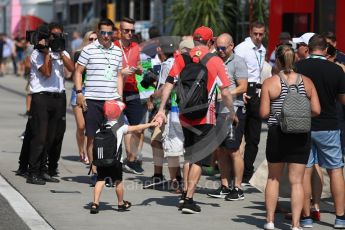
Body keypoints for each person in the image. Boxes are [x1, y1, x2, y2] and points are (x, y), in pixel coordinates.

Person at [154, 26, 238, 214]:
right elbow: (224, 91)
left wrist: (161, 109)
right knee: (199, 159)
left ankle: (185, 193)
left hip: (184, 114)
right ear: (211, 41)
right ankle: (189, 200)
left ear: (194, 40)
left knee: (189, 154)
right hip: (205, 115)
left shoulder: (181, 58)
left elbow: (168, 84)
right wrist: (231, 112)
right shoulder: (215, 60)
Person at [260, 44, 320, 230]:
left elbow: (263, 113)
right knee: (297, 182)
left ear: (277, 61)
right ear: (295, 60)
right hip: (300, 134)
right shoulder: (307, 82)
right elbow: (317, 110)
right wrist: (299, 116)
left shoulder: (270, 83)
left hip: (277, 132)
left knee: (273, 179)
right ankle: (295, 224)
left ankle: (270, 221)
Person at [295, 34, 345, 229]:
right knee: (335, 170)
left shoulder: (298, 68)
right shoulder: (336, 69)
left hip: (303, 126)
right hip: (329, 126)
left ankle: (306, 217)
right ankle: (340, 218)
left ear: (308, 49)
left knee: (305, 172)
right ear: (325, 50)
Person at [75, 18, 123, 186]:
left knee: (111, 138)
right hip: (92, 100)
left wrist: (120, 98)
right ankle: (95, 171)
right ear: (98, 31)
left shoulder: (117, 51)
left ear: (113, 33)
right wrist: (79, 93)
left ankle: (107, 171)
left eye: (109, 33)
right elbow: (78, 71)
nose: (106, 36)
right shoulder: (88, 49)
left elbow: (118, 75)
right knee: (92, 137)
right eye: (103, 32)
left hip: (111, 100)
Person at [25, 22, 75, 185]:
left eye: (60, 35)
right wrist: (47, 53)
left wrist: (59, 53)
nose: (57, 38)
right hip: (41, 98)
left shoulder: (61, 51)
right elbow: (46, 73)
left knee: (52, 138)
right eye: (54, 35)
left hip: (58, 97)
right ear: (46, 37)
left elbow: (71, 69)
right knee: (40, 136)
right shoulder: (37, 54)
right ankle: (32, 172)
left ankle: (43, 170)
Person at [90, 100, 158, 214]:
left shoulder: (100, 128)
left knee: (100, 180)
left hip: (101, 160)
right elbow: (137, 127)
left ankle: (95, 204)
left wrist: (94, 163)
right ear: (118, 114)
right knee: (118, 182)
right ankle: (121, 203)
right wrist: (150, 124)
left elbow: (94, 146)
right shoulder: (120, 127)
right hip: (115, 161)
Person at [207, 33, 248, 201]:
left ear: (232, 46)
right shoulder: (214, 60)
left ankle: (237, 188)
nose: (220, 50)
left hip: (233, 110)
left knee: (234, 149)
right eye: (218, 47)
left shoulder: (238, 62)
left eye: (223, 48)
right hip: (216, 111)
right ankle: (224, 185)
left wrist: (224, 93)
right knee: (220, 150)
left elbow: (243, 87)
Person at [143, 37, 184, 190]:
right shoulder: (176, 62)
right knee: (160, 142)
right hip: (172, 107)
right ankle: (163, 176)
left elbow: (166, 87)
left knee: (165, 144)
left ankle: (174, 180)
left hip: (168, 108)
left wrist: (153, 95)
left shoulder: (168, 64)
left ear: (161, 50)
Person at [234, 21, 266, 185]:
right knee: (238, 136)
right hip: (244, 93)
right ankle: (235, 172)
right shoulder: (241, 48)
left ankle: (247, 171)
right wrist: (242, 90)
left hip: (258, 93)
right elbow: (234, 71)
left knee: (254, 138)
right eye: (255, 34)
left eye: (261, 34)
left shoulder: (262, 49)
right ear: (250, 32)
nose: (258, 37)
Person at [114, 17, 146, 175]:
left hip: (133, 89)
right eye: (126, 30)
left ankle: (131, 160)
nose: (129, 33)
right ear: (119, 31)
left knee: (138, 127)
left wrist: (139, 69)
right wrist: (121, 73)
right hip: (116, 91)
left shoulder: (135, 46)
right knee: (115, 127)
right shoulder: (113, 46)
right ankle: (114, 160)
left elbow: (139, 64)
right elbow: (107, 70)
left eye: (132, 31)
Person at [70, 31, 97, 165]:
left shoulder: (100, 54)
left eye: (95, 39)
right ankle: (81, 151)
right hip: (79, 90)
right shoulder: (79, 53)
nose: (93, 41)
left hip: (93, 91)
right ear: (86, 40)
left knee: (90, 126)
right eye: (91, 39)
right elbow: (76, 72)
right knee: (81, 126)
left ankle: (89, 152)